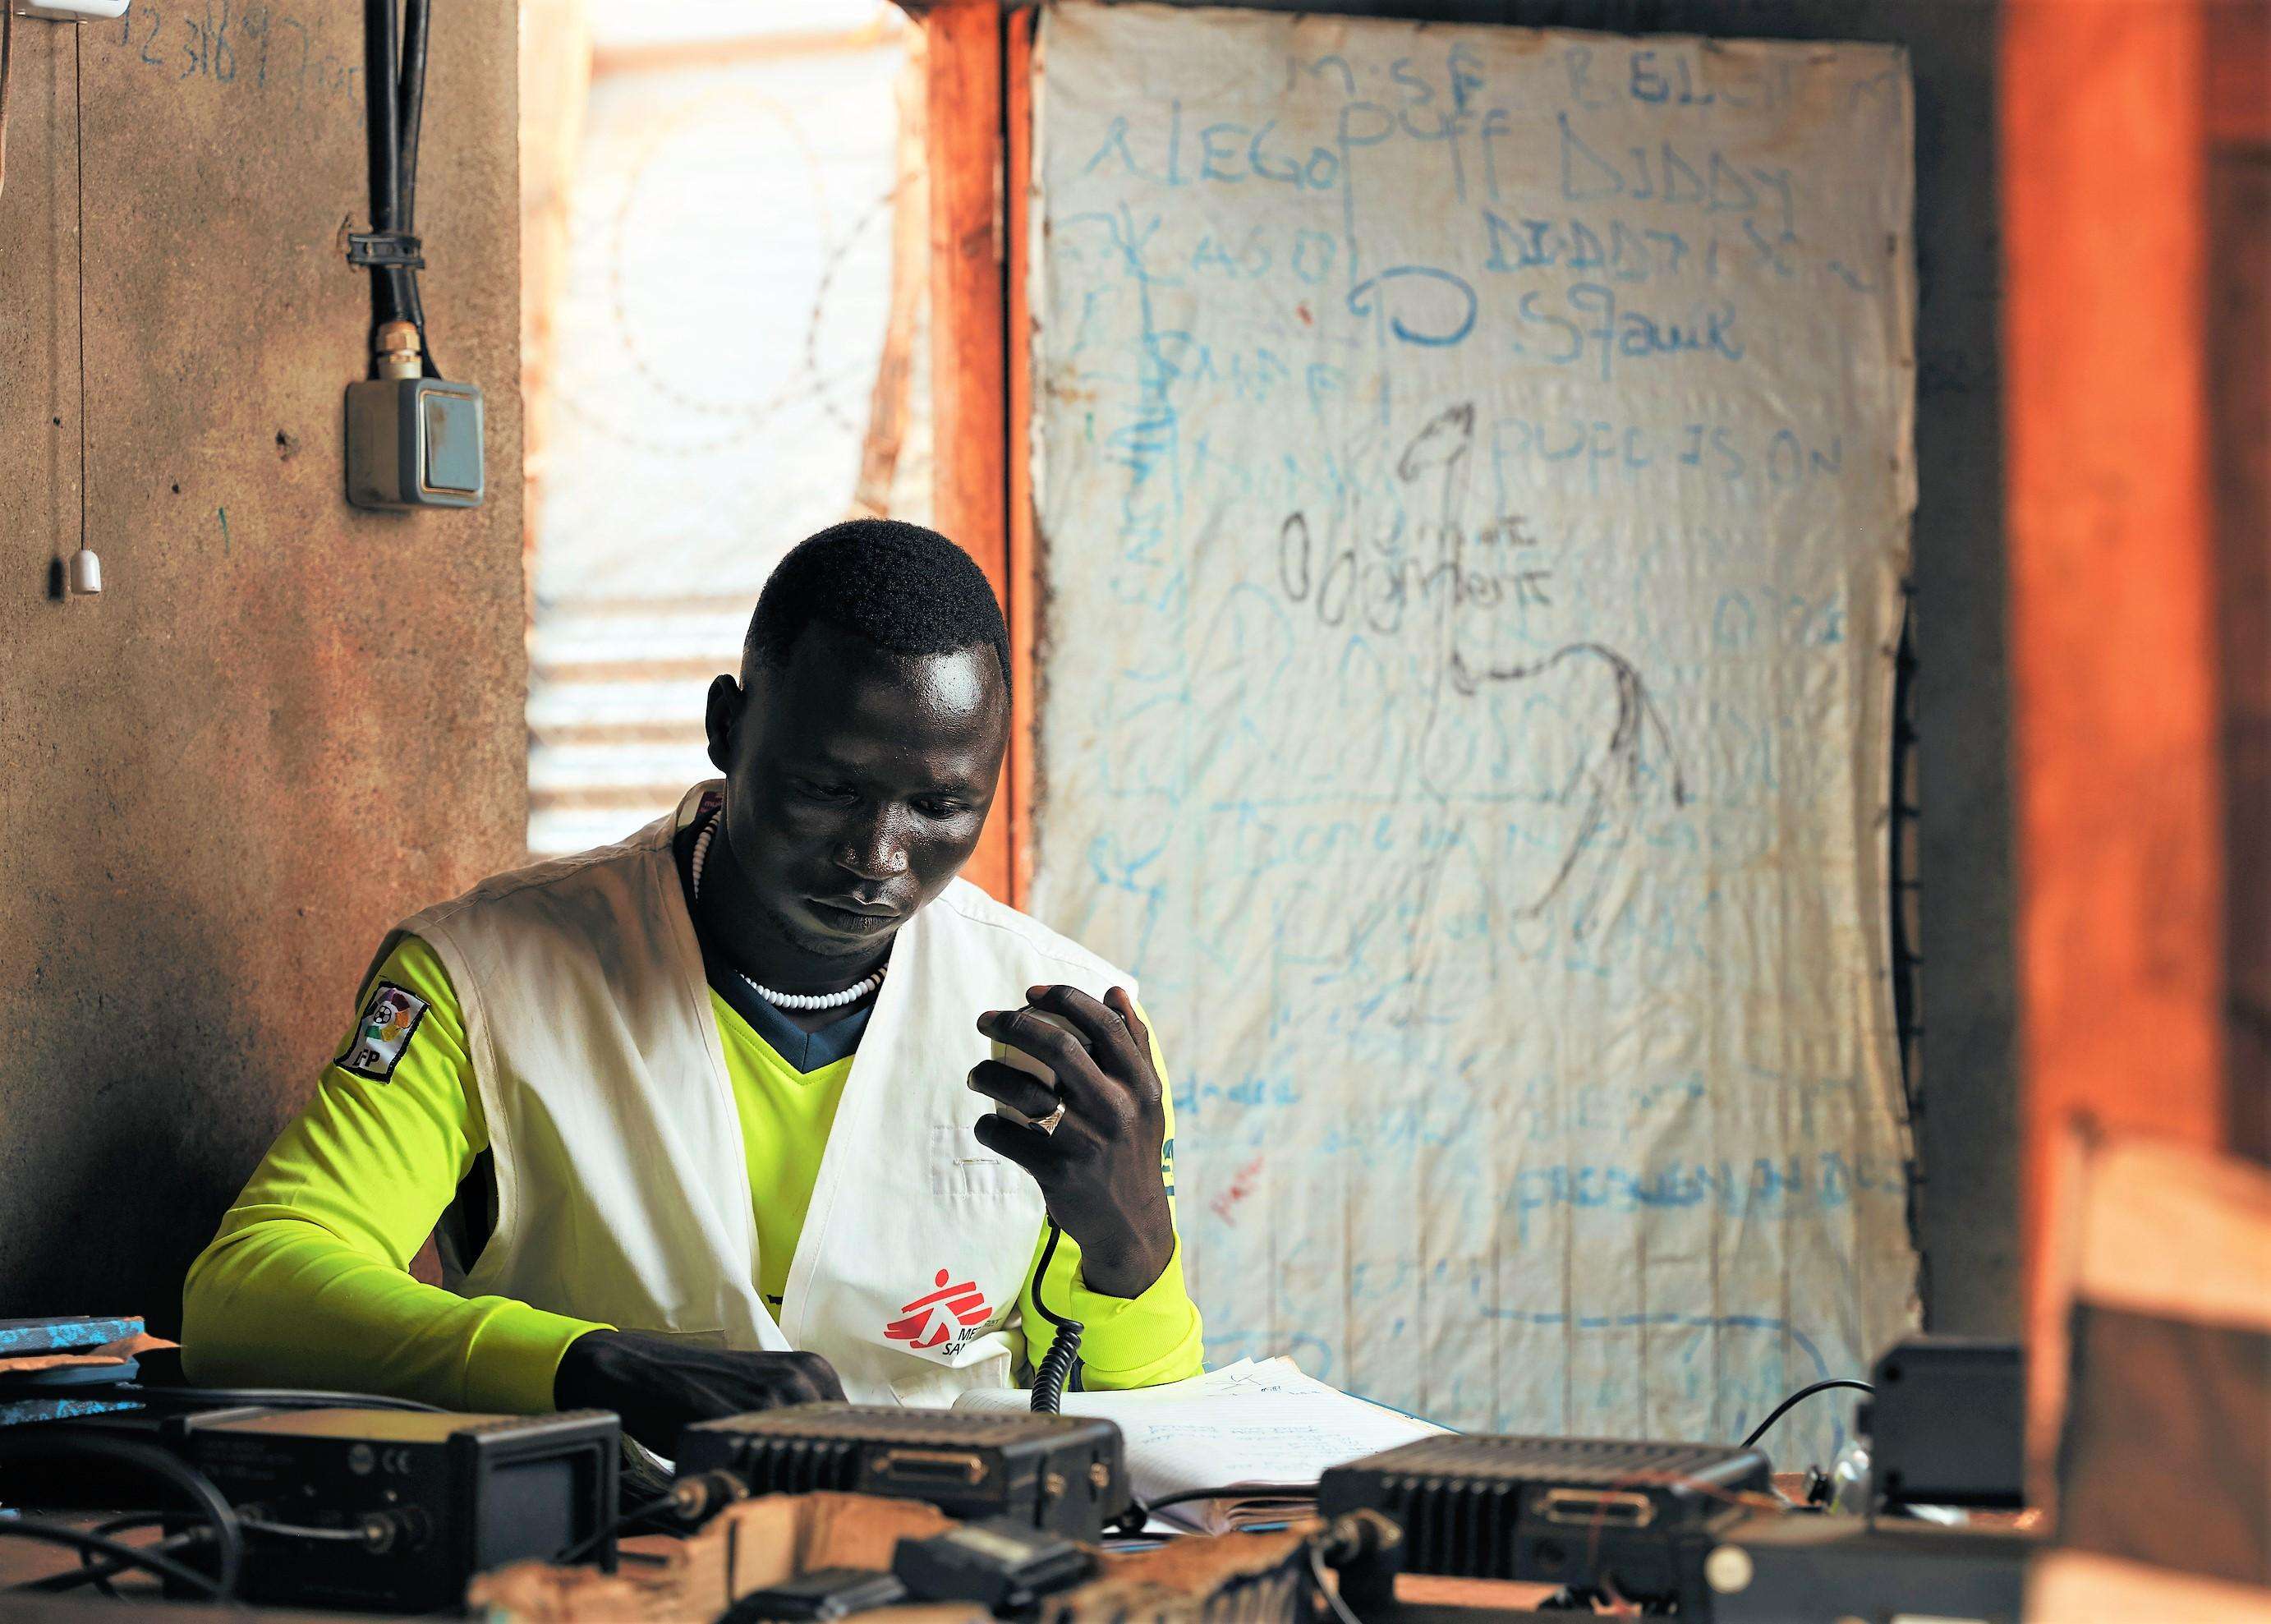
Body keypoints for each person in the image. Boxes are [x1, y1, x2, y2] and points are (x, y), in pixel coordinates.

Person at [182, 521, 1201, 1452]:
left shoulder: (1066, 1016)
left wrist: (1132, 1241)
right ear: (726, 727)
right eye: (828, 789)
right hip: (595, 1561)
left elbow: (1151, 1424)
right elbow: (246, 1295)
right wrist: (584, 1365)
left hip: (934, 1572)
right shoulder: (482, 975)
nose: (877, 856)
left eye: (939, 805)